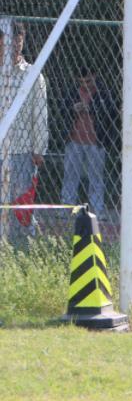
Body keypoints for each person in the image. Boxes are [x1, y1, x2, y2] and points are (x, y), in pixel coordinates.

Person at [0, 18, 48, 241]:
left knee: (21, 203)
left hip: (22, 150)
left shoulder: (33, 75)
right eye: (8, 40)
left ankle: (24, 245)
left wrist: (39, 149)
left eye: (18, 40)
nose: (14, 45)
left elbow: (40, 114)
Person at [60, 67, 116, 217]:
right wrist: (73, 108)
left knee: (96, 177)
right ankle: (66, 208)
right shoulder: (73, 92)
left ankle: (97, 209)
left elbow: (110, 112)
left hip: (96, 141)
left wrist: (90, 108)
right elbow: (62, 109)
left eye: (89, 81)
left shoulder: (103, 93)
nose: (85, 84)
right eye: (82, 82)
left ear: (95, 76)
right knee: (70, 175)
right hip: (74, 139)